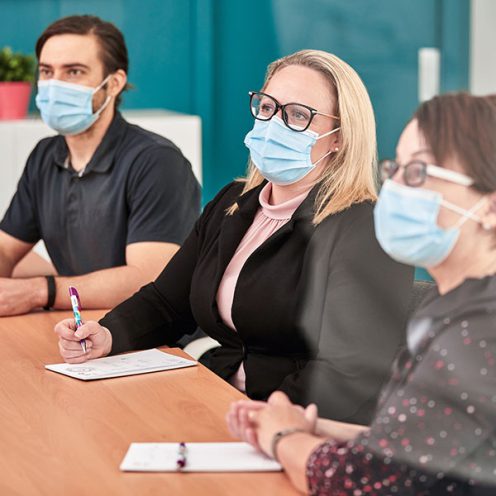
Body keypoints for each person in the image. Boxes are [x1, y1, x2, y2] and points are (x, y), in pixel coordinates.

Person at [54, 49, 413, 422]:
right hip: (216, 398)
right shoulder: (233, 203)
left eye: (298, 115)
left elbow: (353, 369)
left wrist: (265, 419)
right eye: (268, 106)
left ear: (340, 137)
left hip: (298, 426)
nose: (274, 123)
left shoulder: (368, 228)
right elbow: (166, 302)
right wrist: (107, 334)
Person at [227, 93, 496, 495]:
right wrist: (310, 426)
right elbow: (410, 443)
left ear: (490, 208)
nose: (397, 187)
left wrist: (283, 439)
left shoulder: (479, 333)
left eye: (419, 172)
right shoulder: (455, 304)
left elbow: (361, 481)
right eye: (398, 168)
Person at [0, 15, 200, 315]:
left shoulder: (157, 162)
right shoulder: (45, 155)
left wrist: (40, 291)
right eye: (46, 71)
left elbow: (146, 281)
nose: (55, 85)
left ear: (114, 83)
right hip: (79, 327)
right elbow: (6, 248)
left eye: (74, 72)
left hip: (153, 341)